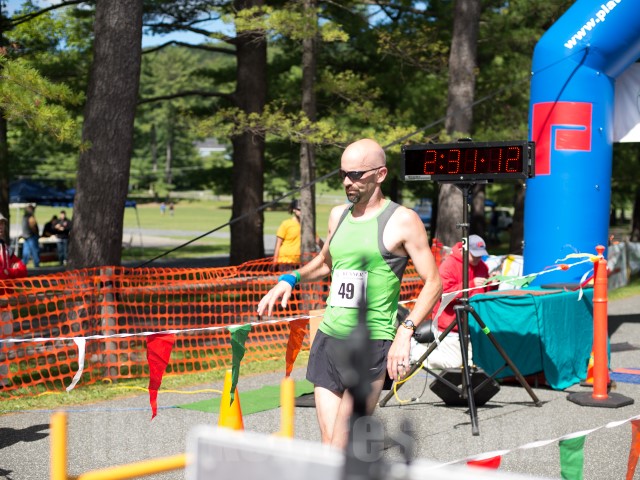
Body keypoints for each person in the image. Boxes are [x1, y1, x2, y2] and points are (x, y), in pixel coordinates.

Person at [258, 138, 442, 449]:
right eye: (343, 174)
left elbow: (434, 282)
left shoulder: (402, 220)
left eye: (356, 174)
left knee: (340, 446)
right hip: (328, 339)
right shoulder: (338, 215)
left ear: (380, 174)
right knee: (328, 444)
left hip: (370, 343)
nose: (347, 181)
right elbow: (325, 262)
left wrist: (405, 332)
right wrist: (290, 278)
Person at [410, 234, 497, 370]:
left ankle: (431, 349)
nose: (478, 259)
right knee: (454, 363)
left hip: (471, 324)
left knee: (470, 362)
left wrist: (492, 284)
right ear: (463, 250)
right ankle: (413, 351)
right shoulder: (448, 265)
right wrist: (471, 284)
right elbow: (444, 295)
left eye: (480, 255)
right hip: (448, 324)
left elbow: (482, 292)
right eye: (475, 255)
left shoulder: (482, 267)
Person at [273, 199, 324, 266]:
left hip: (299, 262)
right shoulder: (286, 224)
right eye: (299, 209)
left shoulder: (308, 226)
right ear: (294, 210)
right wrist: (275, 260)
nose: (302, 212)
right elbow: (278, 243)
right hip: (285, 261)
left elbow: (318, 241)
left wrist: (327, 254)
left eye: (303, 210)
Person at [0, 213, 27, 282]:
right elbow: (1, 275)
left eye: (2, 223)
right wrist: (13, 270)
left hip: (8, 288)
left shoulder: (6, 248)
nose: (1, 226)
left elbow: (23, 271)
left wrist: (8, 272)